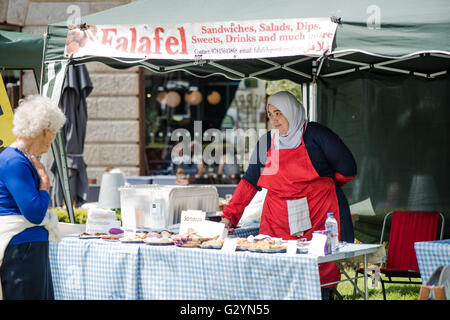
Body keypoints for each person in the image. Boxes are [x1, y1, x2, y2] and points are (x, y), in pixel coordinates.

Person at [220, 91, 357, 299]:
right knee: (275, 273)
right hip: (277, 221)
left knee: (318, 272)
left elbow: (348, 168)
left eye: (279, 113)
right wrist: (230, 216)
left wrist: (324, 187)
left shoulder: (316, 135)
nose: (274, 119)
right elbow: (249, 181)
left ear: (292, 111)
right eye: (270, 114)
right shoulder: (267, 142)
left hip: (318, 218)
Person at [0, 95, 66, 300]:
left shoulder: (17, 158)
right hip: (22, 249)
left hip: (25, 247)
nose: (53, 140)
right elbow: (35, 213)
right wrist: (45, 183)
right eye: (55, 133)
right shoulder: (14, 161)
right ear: (46, 131)